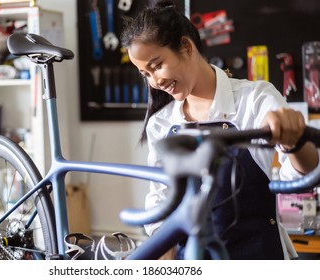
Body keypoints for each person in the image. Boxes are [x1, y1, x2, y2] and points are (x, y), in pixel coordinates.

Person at [120, 0, 319, 260]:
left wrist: (295, 141)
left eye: (157, 65)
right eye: (145, 73)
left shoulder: (254, 99)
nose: (155, 82)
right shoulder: (162, 123)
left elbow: (299, 177)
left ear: (186, 47)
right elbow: (161, 203)